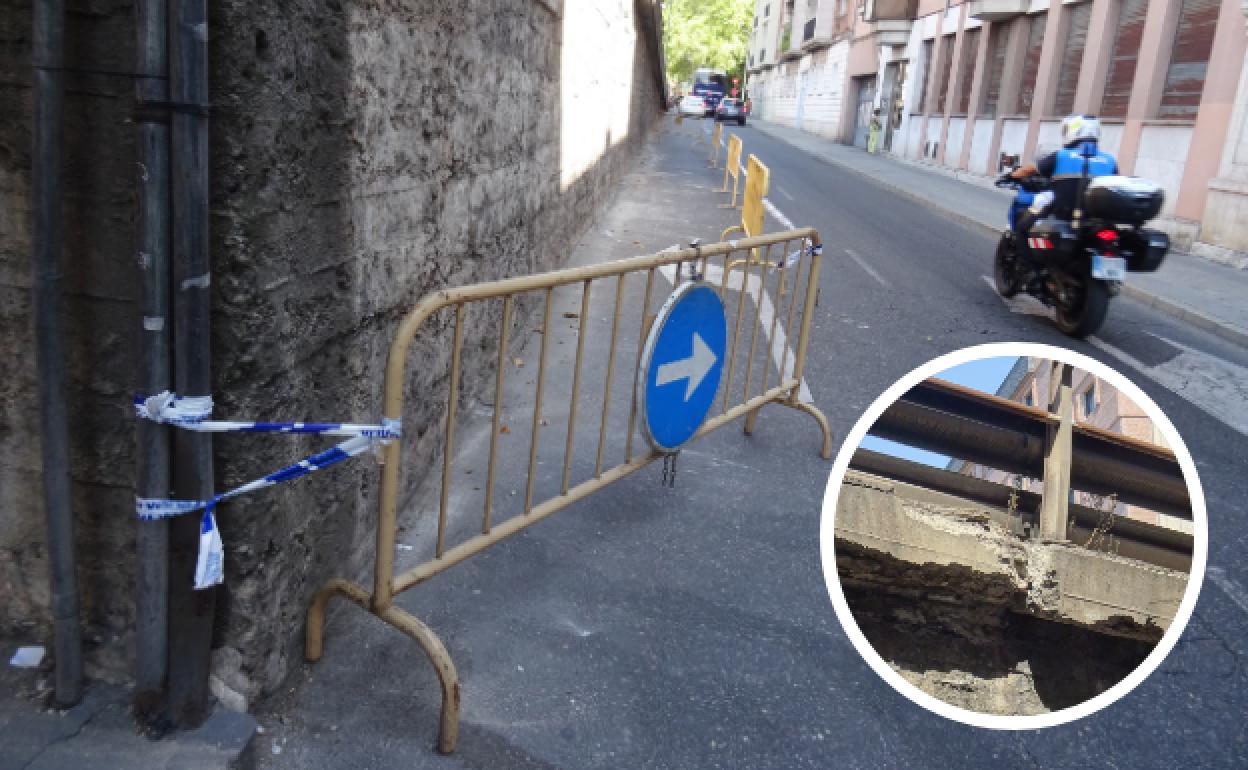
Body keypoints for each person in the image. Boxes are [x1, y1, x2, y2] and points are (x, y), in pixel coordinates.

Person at [1009, 115, 1118, 246]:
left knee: (1022, 228)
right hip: (1097, 218)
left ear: (1074, 131)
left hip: (1064, 213)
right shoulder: (1110, 160)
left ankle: (1030, 266)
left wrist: (1013, 175)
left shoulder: (1061, 155)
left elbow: (1030, 169)